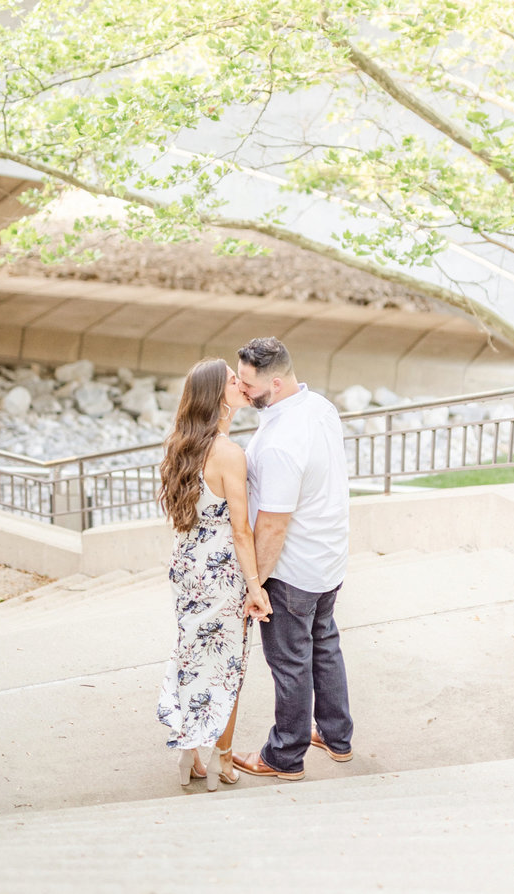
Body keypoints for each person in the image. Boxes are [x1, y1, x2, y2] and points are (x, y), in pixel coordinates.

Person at [232, 337, 353, 781]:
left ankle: (285, 756)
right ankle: (337, 738)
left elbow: (272, 526)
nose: (241, 389)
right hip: (329, 558)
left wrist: (255, 585)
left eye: (247, 383)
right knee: (324, 644)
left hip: (293, 570)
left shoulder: (279, 443)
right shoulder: (319, 406)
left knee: (290, 663)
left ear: (276, 382)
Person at [156, 357, 272, 792]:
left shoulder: (179, 445)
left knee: (191, 654)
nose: (241, 384)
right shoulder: (230, 454)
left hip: (186, 564)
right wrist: (256, 587)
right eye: (231, 382)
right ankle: (222, 758)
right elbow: (241, 531)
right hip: (221, 569)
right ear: (215, 397)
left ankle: (190, 754)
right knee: (227, 667)